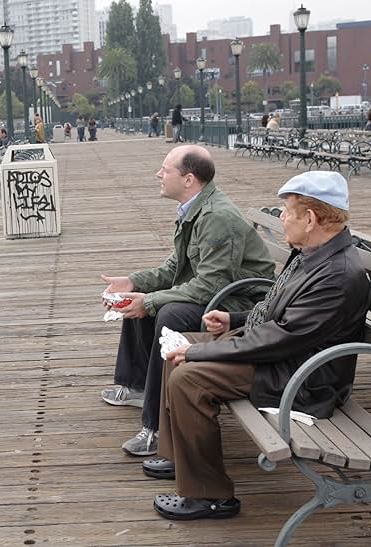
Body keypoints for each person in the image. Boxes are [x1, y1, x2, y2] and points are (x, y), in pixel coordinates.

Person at [147, 171, 371, 522]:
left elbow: (279, 338)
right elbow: (281, 312)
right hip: (286, 359)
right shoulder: (315, 252)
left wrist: (199, 353)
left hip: (303, 380)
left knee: (187, 377)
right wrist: (235, 320)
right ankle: (179, 455)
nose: (281, 218)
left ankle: (209, 496)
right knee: (180, 345)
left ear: (310, 219)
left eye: (287, 212)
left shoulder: (338, 275)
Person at [100, 145, 275, 456]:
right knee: (138, 301)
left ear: (188, 179)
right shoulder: (194, 208)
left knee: (168, 314)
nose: (158, 174)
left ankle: (155, 426)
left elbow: (211, 286)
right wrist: (134, 283)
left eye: (165, 170)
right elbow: (174, 267)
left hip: (239, 302)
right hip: (220, 291)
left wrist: (150, 301)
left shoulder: (216, 216)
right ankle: (137, 384)